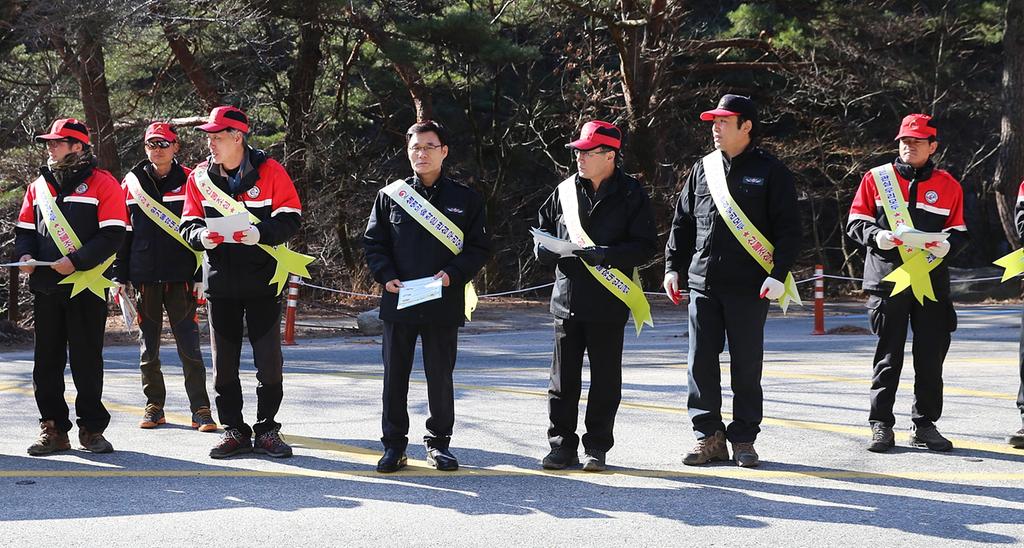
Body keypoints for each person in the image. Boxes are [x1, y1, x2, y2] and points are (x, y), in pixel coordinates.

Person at [664, 94, 801, 468]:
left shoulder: (771, 171)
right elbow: (683, 223)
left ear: (747, 126)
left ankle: (743, 438)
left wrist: (778, 275)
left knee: (746, 364)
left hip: (750, 285)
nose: (715, 128)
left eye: (724, 121)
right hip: (702, 283)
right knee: (700, 363)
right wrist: (672, 267)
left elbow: (789, 231)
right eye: (713, 121)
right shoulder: (701, 169)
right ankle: (708, 436)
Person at [363, 120, 491, 473]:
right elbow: (374, 244)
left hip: (443, 301)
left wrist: (454, 274)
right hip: (399, 301)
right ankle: (393, 446)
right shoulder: (391, 196)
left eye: (429, 147)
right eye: (415, 148)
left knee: (440, 377)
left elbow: (479, 248)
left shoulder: (466, 199)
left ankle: (439, 444)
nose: (421, 153)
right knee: (395, 379)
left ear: (444, 151)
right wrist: (385, 276)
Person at [534, 120, 658, 472]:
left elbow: (645, 246)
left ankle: (597, 448)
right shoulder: (564, 190)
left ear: (610, 156)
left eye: (588, 152)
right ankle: (561, 447)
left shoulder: (632, 193)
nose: (580, 157)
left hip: (609, 301)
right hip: (567, 300)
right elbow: (541, 228)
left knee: (605, 381)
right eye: (578, 151)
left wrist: (607, 254)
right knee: (562, 382)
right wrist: (541, 250)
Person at [180, 105, 302, 459]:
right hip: (221, 284)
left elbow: (291, 217)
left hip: (264, 281)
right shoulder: (199, 177)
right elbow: (187, 224)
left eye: (217, 137)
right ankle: (234, 429)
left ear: (238, 137)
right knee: (224, 366)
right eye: (209, 137)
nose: (211, 144)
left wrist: (260, 233)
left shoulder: (272, 171)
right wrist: (201, 235)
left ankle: (267, 429)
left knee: (268, 362)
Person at [847, 113, 967, 453]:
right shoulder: (876, 179)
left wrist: (949, 246)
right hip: (887, 281)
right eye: (904, 141)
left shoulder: (949, 185)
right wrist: (878, 236)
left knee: (931, 356)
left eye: (916, 142)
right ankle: (881, 424)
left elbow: (960, 232)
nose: (908, 146)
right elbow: (856, 223)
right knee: (888, 356)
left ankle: (925, 424)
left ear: (933, 146)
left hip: (931, 282)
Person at [15, 118, 127, 455]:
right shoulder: (38, 186)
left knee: (86, 362)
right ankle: (52, 429)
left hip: (86, 287)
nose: (50, 146)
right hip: (46, 287)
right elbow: (24, 231)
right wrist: (25, 255)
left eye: (57, 142)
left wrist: (77, 261)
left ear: (77, 146)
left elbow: (113, 234)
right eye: (49, 142)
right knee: (45, 363)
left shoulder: (103, 183)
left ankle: (92, 429)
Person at [113, 122, 216, 433]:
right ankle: (154, 406)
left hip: (183, 277)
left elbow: (202, 231)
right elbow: (123, 234)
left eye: (164, 143)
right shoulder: (131, 184)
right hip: (144, 277)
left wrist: (201, 275)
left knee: (189, 348)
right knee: (149, 349)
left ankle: (200, 409)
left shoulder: (192, 181)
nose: (157, 148)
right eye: (151, 143)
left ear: (176, 146)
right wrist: (119, 276)